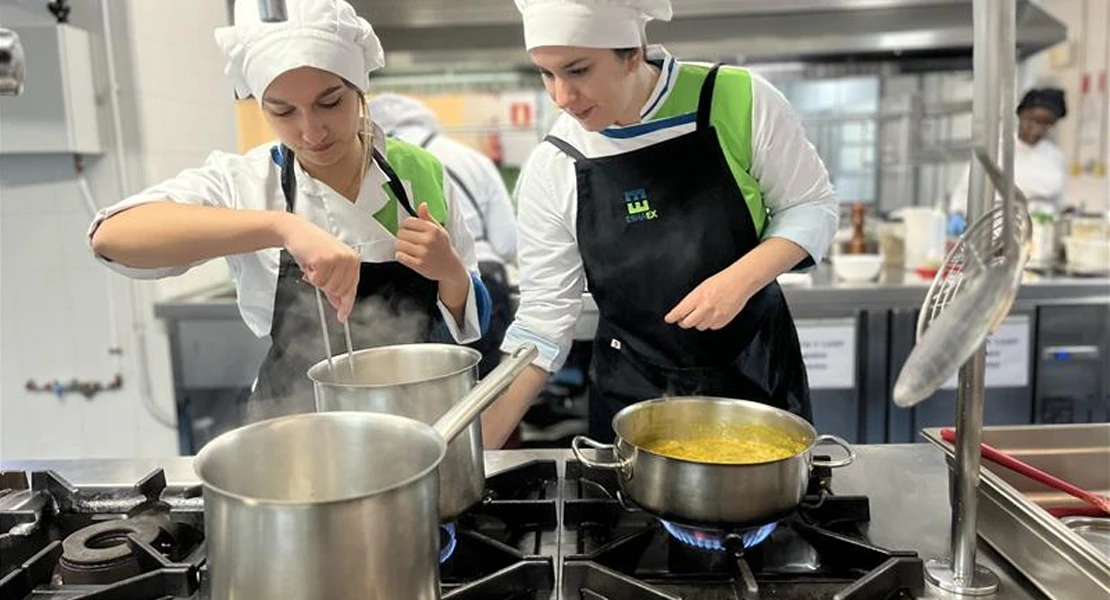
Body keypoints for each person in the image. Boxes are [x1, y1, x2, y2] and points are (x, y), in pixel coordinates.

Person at [88, 0, 487, 421]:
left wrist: (450, 272)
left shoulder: (420, 173)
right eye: (282, 111)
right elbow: (112, 238)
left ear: (359, 89)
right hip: (295, 429)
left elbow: (472, 317)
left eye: (330, 102)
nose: (311, 132)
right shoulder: (245, 182)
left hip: (415, 418)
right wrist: (281, 227)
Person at [480, 0, 839, 447]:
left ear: (633, 53)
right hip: (632, 399)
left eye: (578, 70)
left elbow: (811, 205)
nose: (561, 97)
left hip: (753, 379)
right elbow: (543, 320)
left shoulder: (735, 98)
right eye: (546, 74)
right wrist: (476, 452)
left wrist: (739, 280)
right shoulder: (554, 163)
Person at [369, 93, 519, 376]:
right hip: (484, 279)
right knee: (483, 390)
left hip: (408, 302)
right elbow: (507, 241)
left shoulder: (369, 168)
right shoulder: (470, 159)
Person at [949, 87, 1069, 230]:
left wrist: (1067, 211)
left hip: (1042, 233)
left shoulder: (1055, 156)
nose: (1037, 129)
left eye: (1046, 124)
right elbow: (964, 189)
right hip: (997, 232)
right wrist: (957, 213)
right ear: (1020, 114)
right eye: (1032, 121)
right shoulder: (996, 148)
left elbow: (1059, 201)